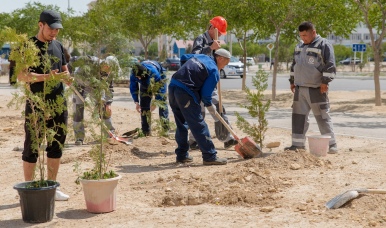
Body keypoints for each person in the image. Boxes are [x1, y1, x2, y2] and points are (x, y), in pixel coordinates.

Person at [17, 10, 72, 200]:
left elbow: (64, 68)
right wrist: (49, 77)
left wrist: (67, 77)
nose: (54, 33)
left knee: (56, 144)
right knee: (32, 145)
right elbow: (22, 76)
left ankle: (52, 187)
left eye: (57, 29)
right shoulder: (27, 46)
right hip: (36, 104)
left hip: (58, 103)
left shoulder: (58, 46)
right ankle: (30, 189)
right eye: (51, 28)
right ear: (41, 25)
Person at [168, 48, 231, 165]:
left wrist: (186, 74)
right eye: (225, 64)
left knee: (182, 124)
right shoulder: (213, 71)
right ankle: (210, 156)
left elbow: (183, 58)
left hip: (173, 86)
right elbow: (206, 95)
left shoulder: (202, 57)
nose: (224, 67)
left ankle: (182, 155)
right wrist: (210, 107)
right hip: (185, 92)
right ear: (220, 58)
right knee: (199, 125)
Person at [284, 21, 338, 154]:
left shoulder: (324, 44)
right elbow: (294, 64)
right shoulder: (299, 46)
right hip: (299, 88)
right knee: (298, 117)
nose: (303, 38)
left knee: (322, 117)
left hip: (317, 88)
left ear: (313, 32)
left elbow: (330, 64)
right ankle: (297, 145)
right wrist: (292, 80)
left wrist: (325, 82)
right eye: (301, 35)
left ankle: (332, 145)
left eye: (305, 35)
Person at [189, 16, 238, 150]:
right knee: (199, 112)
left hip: (210, 81)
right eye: (220, 32)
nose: (221, 35)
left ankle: (227, 138)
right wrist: (210, 47)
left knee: (219, 107)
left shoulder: (215, 42)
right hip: (199, 82)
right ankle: (193, 141)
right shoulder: (201, 39)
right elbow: (195, 56)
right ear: (212, 28)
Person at [72, 55, 117, 145]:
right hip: (79, 85)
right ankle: (79, 138)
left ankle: (109, 134)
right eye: (109, 68)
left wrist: (108, 103)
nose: (109, 71)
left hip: (97, 87)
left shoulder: (110, 73)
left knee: (104, 108)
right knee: (78, 111)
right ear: (105, 64)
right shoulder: (91, 62)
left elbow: (109, 88)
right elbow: (76, 71)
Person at [130, 60, 169, 136]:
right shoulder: (133, 73)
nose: (139, 79)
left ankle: (165, 130)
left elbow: (160, 88)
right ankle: (146, 131)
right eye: (137, 77)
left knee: (162, 104)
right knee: (144, 106)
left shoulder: (153, 72)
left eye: (139, 77)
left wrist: (156, 101)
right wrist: (136, 102)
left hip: (160, 77)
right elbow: (133, 87)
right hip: (145, 83)